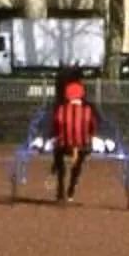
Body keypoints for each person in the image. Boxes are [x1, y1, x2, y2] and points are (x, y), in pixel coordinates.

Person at [38, 76, 102, 204]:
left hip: (62, 145)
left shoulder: (61, 109)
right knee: (78, 163)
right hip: (82, 146)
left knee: (58, 157)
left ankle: (60, 187)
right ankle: (71, 189)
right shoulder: (88, 110)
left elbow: (55, 128)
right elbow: (93, 127)